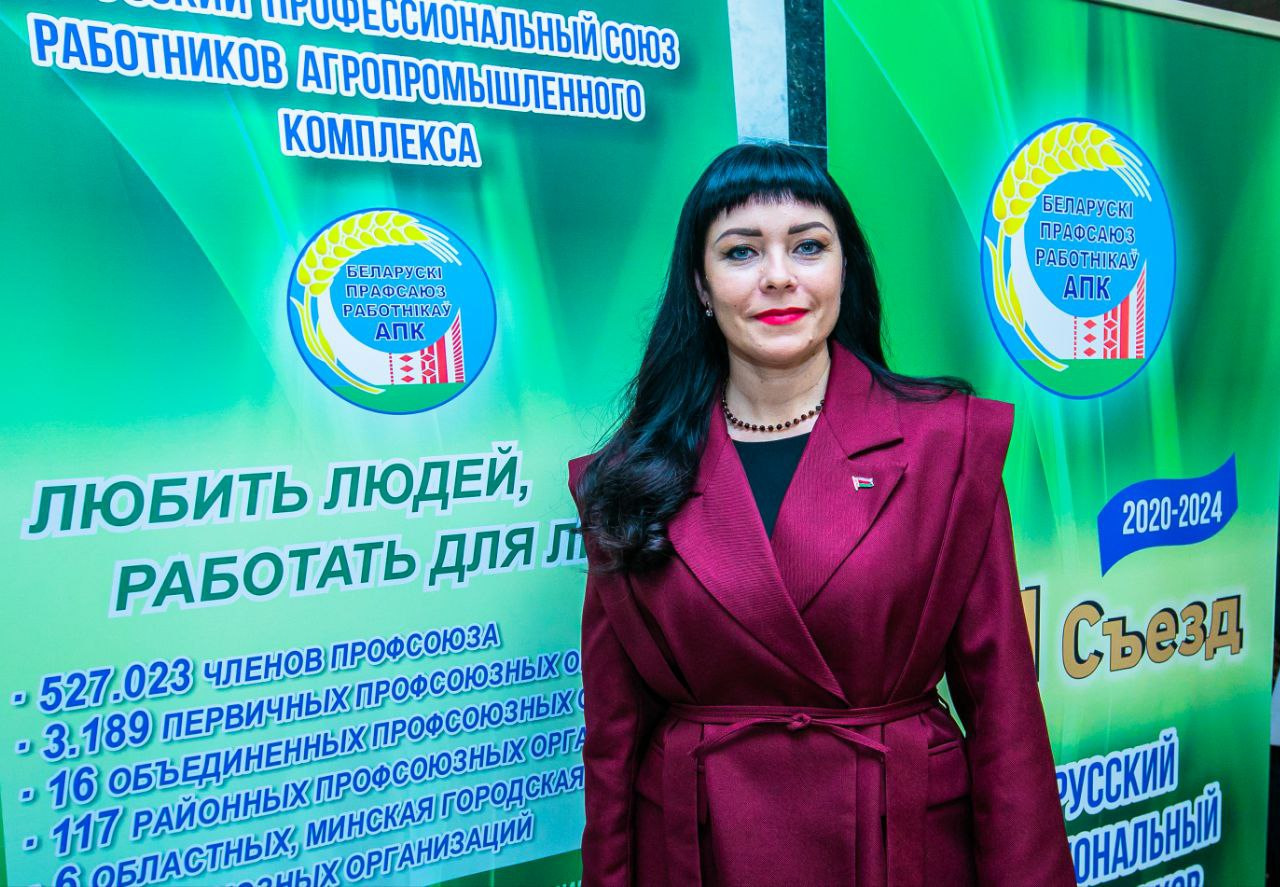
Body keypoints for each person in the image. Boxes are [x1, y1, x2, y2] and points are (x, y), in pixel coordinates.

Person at [567, 142, 1075, 887]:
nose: (779, 276)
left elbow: (1004, 711)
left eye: (808, 246)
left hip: (897, 844)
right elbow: (613, 733)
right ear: (701, 285)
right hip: (698, 851)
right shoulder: (628, 477)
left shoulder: (946, 443)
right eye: (741, 251)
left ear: (844, 270)